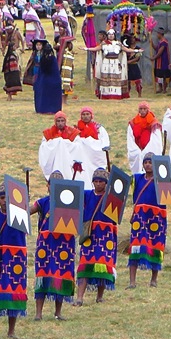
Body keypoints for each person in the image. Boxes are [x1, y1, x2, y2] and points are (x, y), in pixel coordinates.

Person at [30, 171, 75, 320]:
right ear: (47, 186)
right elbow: (28, 210)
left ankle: (58, 312)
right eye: (51, 184)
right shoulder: (42, 202)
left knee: (61, 274)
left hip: (64, 244)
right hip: (46, 243)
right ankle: (38, 313)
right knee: (43, 275)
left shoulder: (71, 202)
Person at [0, 184, 27, 337]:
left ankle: (11, 331)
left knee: (14, 292)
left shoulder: (20, 215)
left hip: (15, 259)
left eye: (8, 198)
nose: (5, 201)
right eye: (2, 198)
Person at [74, 169, 116, 306]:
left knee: (102, 266)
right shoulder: (86, 195)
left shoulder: (112, 197)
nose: (98, 184)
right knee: (85, 264)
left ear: (106, 183)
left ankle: (100, 296)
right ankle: (80, 297)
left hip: (106, 235)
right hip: (90, 236)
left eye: (101, 182)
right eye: (96, 181)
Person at [127, 153, 166, 288]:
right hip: (140, 217)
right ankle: (132, 281)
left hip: (157, 218)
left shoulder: (162, 179)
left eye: (150, 162)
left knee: (156, 245)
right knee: (136, 246)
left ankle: (154, 279)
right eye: (146, 162)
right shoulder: (136, 178)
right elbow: (123, 183)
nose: (148, 164)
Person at [38, 111, 81, 192]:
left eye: (62, 121)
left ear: (65, 121)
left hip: (67, 162)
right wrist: (56, 143)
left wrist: (63, 143)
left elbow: (77, 147)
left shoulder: (73, 132)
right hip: (54, 162)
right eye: (58, 121)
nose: (60, 123)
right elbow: (44, 147)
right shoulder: (48, 133)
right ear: (55, 122)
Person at [75, 107, 110, 189]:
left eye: (87, 114)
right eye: (83, 114)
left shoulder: (99, 128)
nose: (85, 116)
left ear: (91, 115)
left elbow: (104, 143)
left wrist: (89, 143)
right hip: (82, 157)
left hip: (95, 158)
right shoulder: (76, 129)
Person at [127, 102, 163, 174]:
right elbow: (130, 138)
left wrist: (145, 151)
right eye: (141, 109)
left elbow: (156, 141)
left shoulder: (153, 123)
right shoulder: (133, 122)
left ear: (148, 110)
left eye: (144, 109)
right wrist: (137, 151)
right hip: (138, 148)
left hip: (149, 147)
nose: (143, 111)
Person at [31, 38, 62, 114]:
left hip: (44, 81)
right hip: (51, 81)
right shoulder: (52, 59)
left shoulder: (45, 59)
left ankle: (44, 109)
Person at [150, 27, 171, 93]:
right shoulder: (160, 42)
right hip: (159, 61)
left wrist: (154, 57)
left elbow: (160, 52)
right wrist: (152, 43)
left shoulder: (164, 42)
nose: (157, 35)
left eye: (157, 34)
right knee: (159, 75)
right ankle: (160, 88)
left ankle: (164, 89)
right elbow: (156, 48)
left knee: (164, 75)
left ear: (160, 34)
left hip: (163, 61)